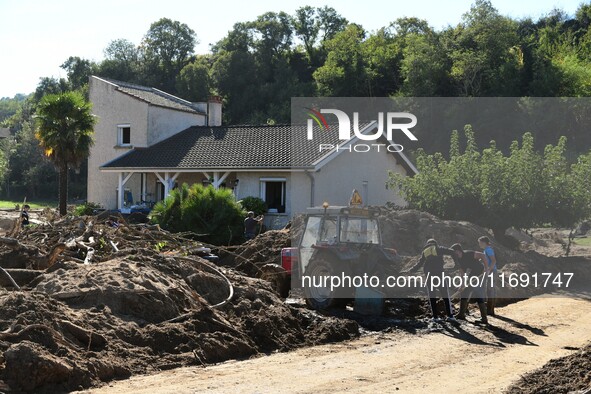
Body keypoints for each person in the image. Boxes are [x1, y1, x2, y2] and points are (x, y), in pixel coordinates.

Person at [410, 239, 456, 322]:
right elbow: (452, 251)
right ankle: (450, 316)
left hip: (429, 276)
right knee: (445, 295)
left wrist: (411, 270)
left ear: (427, 244)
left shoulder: (425, 252)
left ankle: (435, 317)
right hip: (439, 275)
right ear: (435, 244)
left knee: (432, 296)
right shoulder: (439, 248)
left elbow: (420, 263)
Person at [450, 243, 488, 324]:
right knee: (464, 291)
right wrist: (462, 285)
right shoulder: (459, 260)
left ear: (459, 251)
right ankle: (461, 314)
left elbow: (482, 255)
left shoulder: (469, 254)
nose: (454, 255)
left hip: (481, 273)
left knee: (478, 293)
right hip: (474, 274)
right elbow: (462, 274)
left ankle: (484, 318)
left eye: (455, 253)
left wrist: (486, 268)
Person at [479, 236, 498, 316]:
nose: (479, 244)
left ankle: (490, 310)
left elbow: (493, 261)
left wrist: (489, 270)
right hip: (490, 271)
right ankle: (490, 310)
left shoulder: (488, 250)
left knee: (490, 290)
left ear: (484, 242)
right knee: (489, 290)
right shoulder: (486, 250)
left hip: (491, 272)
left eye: (480, 242)